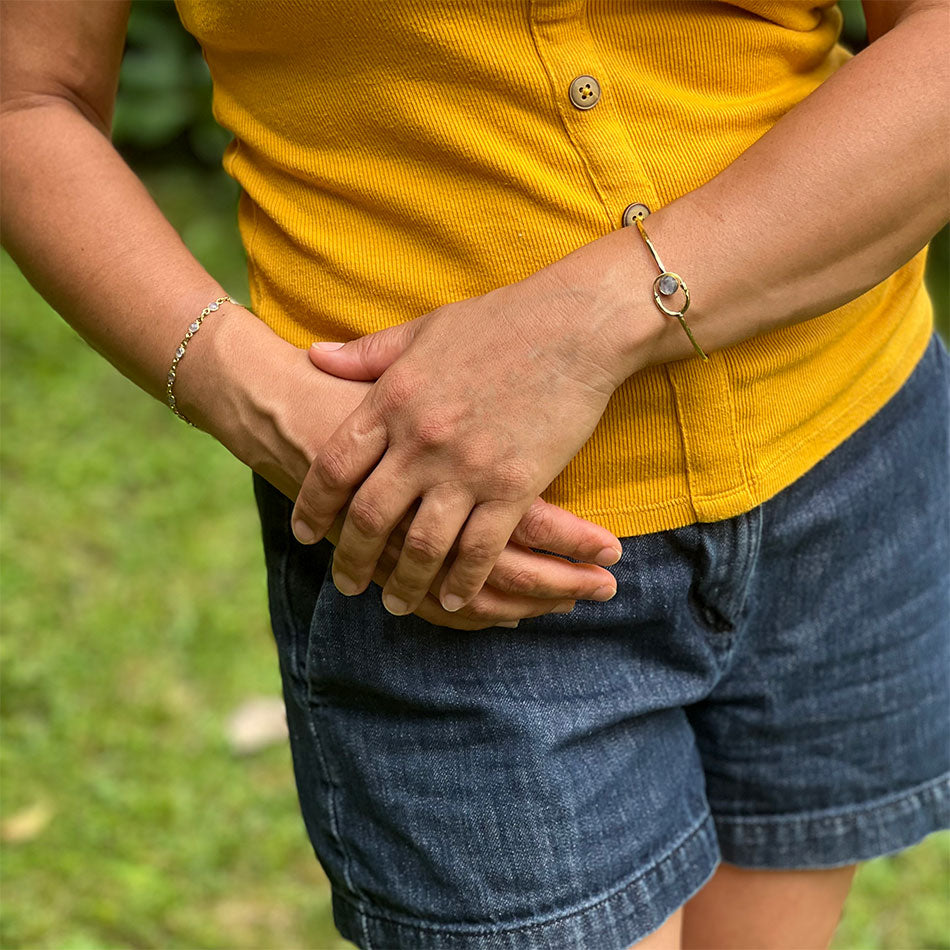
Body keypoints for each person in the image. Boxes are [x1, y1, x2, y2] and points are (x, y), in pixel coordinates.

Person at [2, 0, 947, 947]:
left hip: (850, 461)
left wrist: (585, 326)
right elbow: (24, 99)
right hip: (447, 555)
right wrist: (259, 399)